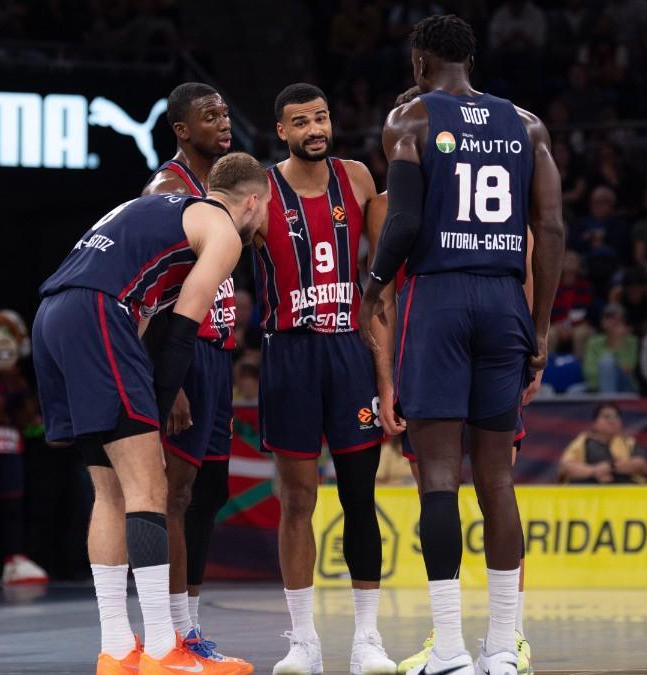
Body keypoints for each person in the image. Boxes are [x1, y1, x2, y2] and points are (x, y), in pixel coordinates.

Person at [360, 15, 564, 675]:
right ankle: (503, 649)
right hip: (505, 301)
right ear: (470, 61)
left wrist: (373, 284)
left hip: (440, 300)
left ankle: (448, 650)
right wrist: (540, 323)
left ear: (420, 64)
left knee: (440, 477)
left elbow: (404, 220)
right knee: (498, 478)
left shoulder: (411, 119)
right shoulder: (529, 125)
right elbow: (551, 229)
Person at [32, 153, 268, 674]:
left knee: (110, 491)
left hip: (52, 315)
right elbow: (184, 329)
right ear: (252, 202)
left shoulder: (156, 212)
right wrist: (154, 416)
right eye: (266, 211)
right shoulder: (223, 229)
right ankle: (164, 650)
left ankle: (117, 650)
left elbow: (139, 314)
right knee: (148, 487)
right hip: (99, 312)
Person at [255, 82, 394, 675]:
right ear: (281, 131)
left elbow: (383, 289)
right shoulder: (259, 190)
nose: (315, 129)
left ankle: (368, 640)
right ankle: (303, 643)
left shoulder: (357, 178)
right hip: (288, 354)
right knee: (297, 501)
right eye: (301, 121)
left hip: (349, 353)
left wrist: (387, 381)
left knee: (360, 498)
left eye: (321, 117)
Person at [140, 82, 250, 671]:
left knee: (209, 493)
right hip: (182, 355)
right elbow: (154, 290)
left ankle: (192, 628)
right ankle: (173, 635)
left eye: (225, 112)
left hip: (217, 353)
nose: (223, 122)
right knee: (175, 495)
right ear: (182, 130)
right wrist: (171, 378)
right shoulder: (167, 190)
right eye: (210, 116)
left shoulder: (222, 190)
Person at [559, 404, 647, 484]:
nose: (612, 421)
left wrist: (611, 468)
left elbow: (641, 464)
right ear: (594, 424)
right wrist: (594, 471)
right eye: (606, 417)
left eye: (616, 417)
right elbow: (566, 467)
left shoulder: (628, 443)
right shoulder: (583, 442)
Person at [582, 304, 639, 394]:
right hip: (598, 386)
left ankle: (608, 401)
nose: (612, 322)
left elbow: (629, 369)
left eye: (617, 319)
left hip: (625, 387)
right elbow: (589, 372)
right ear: (602, 321)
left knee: (606, 362)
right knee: (574, 391)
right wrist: (607, 376)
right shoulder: (594, 342)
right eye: (608, 317)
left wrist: (618, 342)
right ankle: (607, 397)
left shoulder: (631, 341)